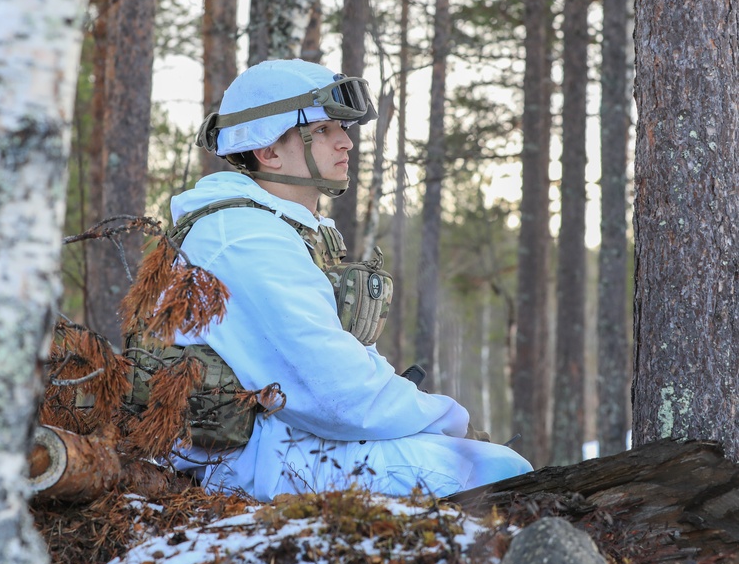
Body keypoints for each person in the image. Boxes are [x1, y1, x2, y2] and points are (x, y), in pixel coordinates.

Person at [164, 58, 531, 502]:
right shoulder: (245, 237)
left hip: (285, 439)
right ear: (268, 149)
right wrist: (454, 423)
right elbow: (339, 396)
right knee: (496, 469)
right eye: (323, 130)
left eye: (342, 128)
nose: (346, 142)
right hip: (248, 458)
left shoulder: (282, 226)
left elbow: (348, 376)